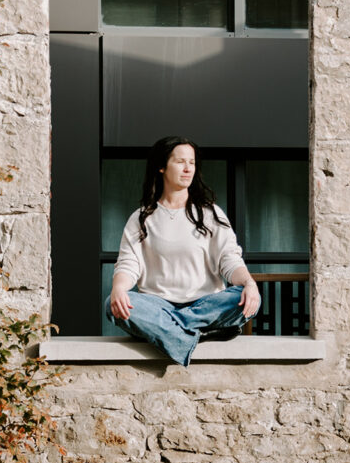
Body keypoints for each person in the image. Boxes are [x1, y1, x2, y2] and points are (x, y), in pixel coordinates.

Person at [106, 136, 261, 366]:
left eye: (192, 162)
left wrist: (249, 283)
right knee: (114, 303)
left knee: (242, 297)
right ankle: (197, 333)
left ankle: (172, 332)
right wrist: (119, 288)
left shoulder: (210, 214)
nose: (188, 168)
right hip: (158, 304)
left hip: (205, 303)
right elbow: (129, 264)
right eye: (180, 162)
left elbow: (229, 260)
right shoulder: (142, 218)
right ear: (161, 167)